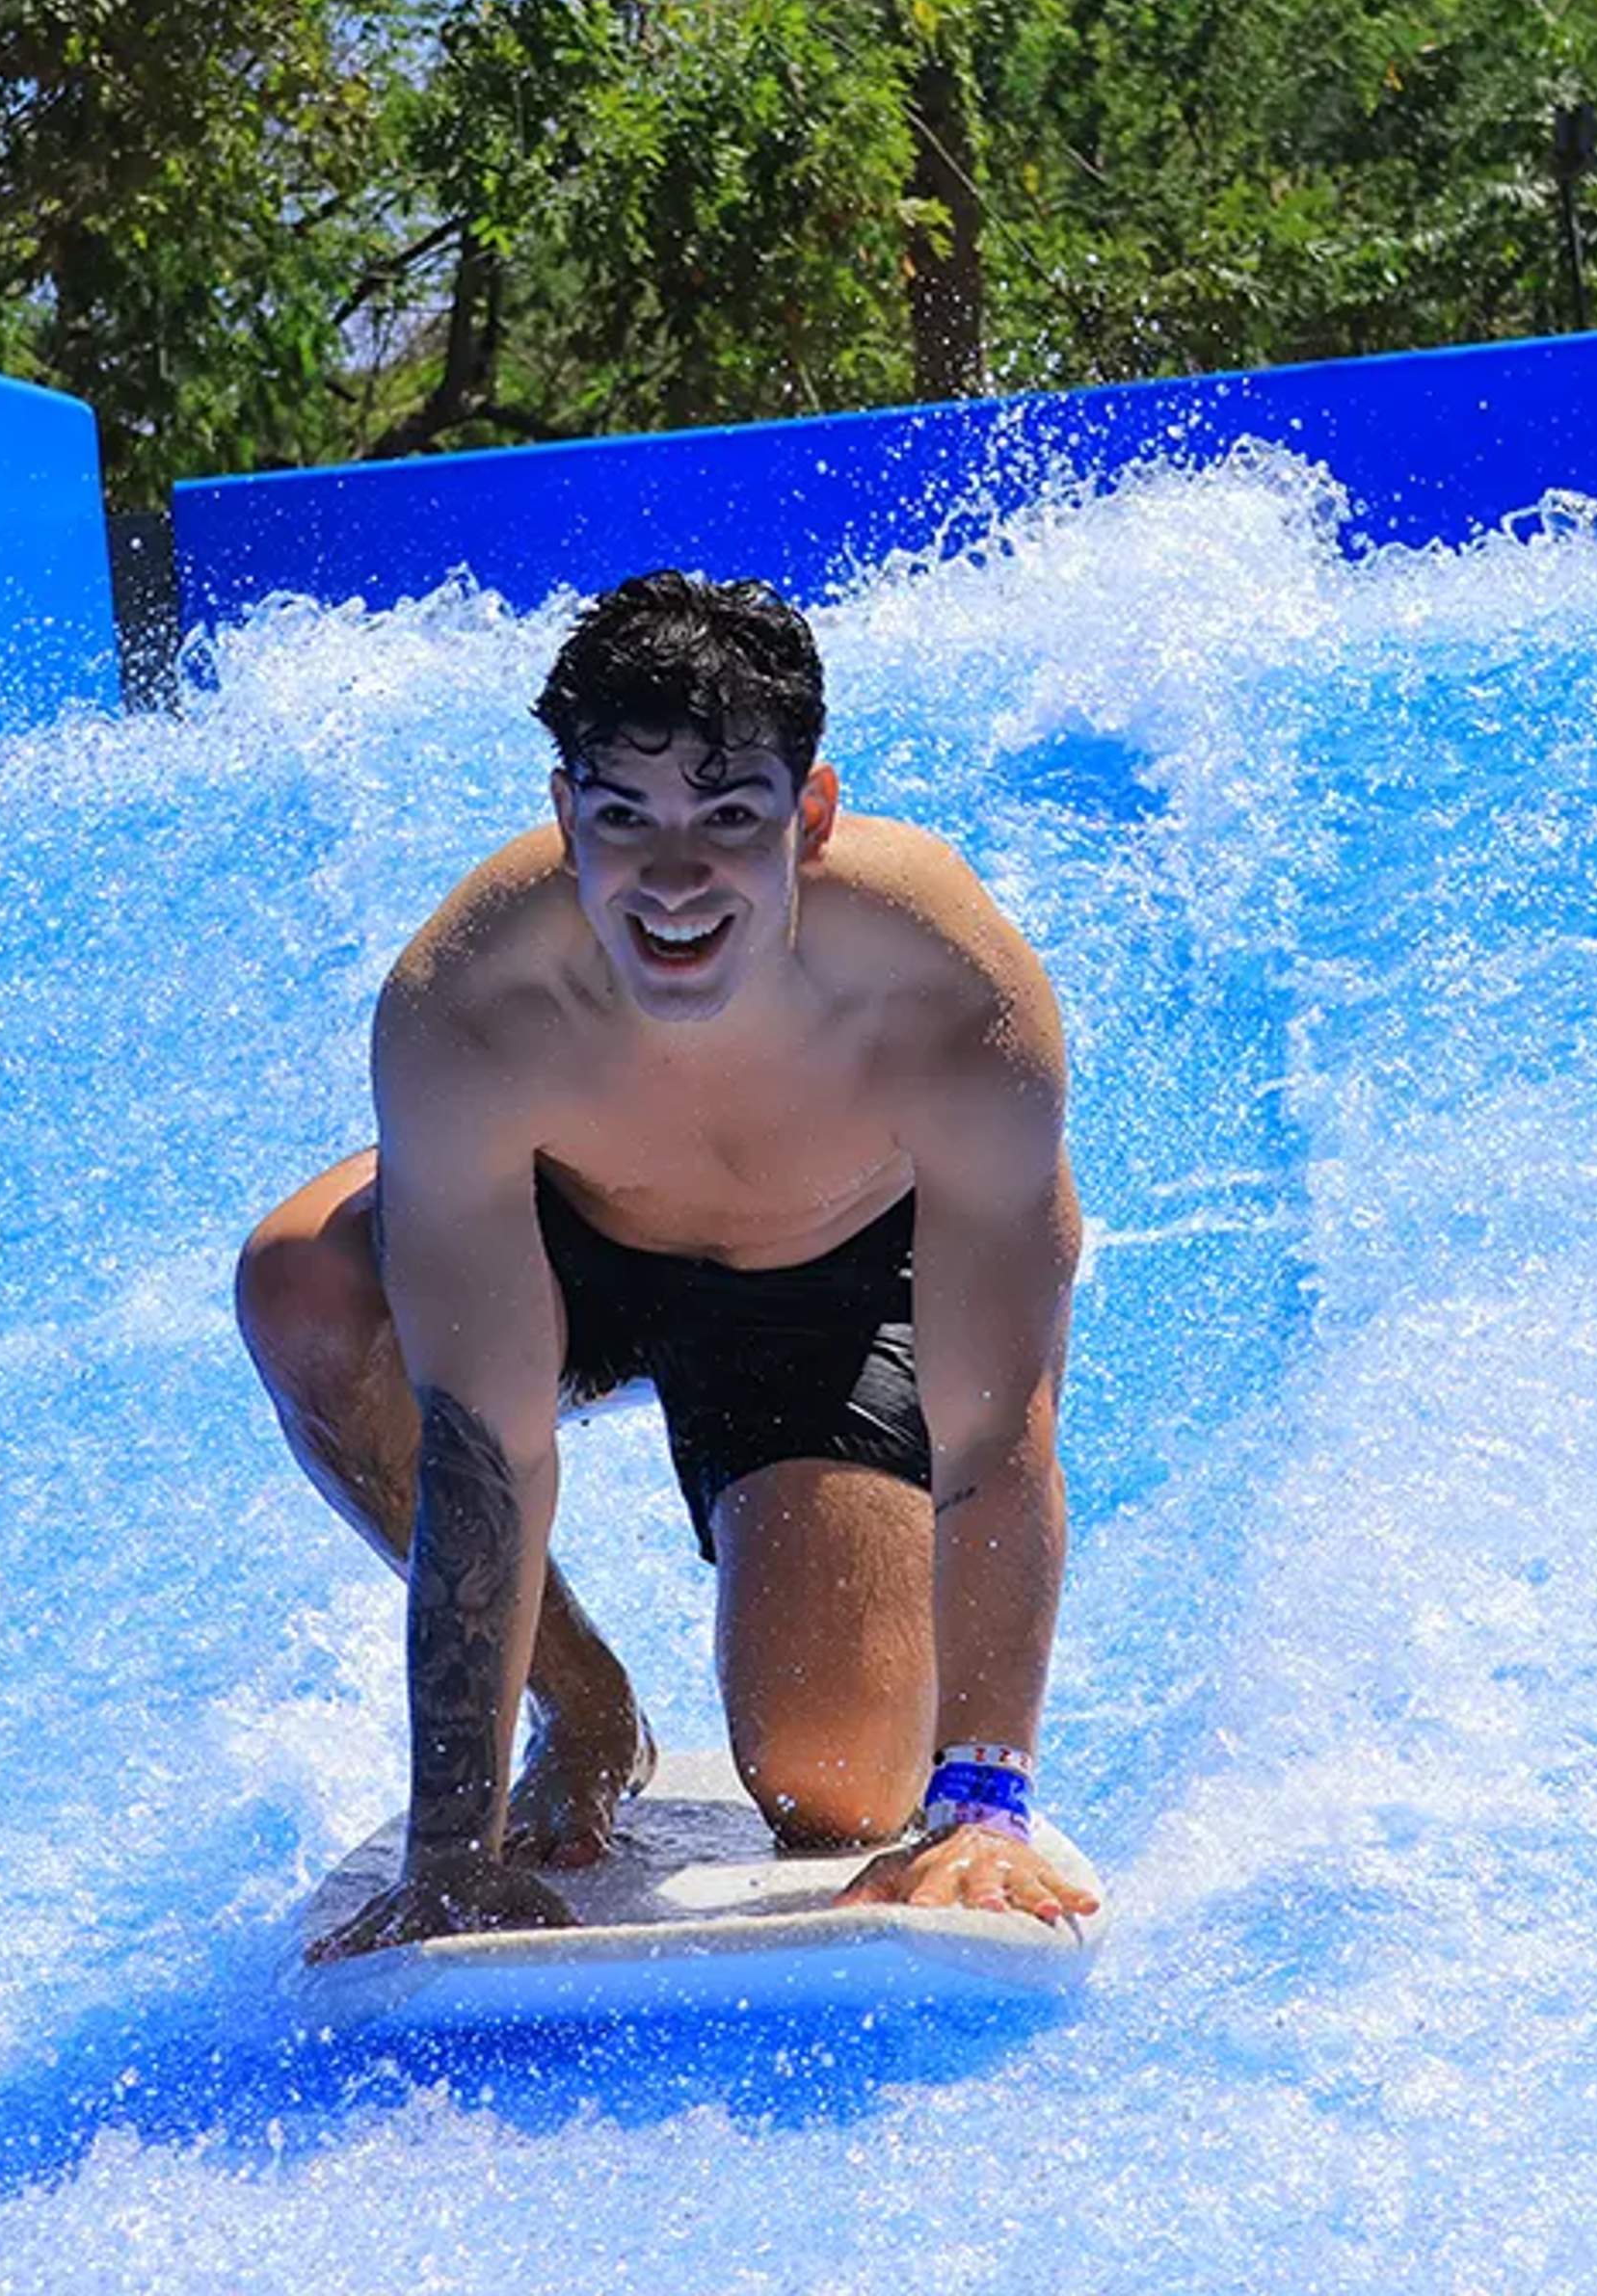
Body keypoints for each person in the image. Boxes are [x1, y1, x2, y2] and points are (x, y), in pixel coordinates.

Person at [233, 570, 1098, 1959]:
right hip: (584, 1251)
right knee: (305, 1286)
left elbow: (997, 1428)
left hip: (833, 1280)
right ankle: (582, 1704)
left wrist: (982, 1805)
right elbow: (487, 1437)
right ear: (566, 815)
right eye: (626, 819)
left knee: (834, 1786)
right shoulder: (470, 999)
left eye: (730, 820)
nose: (675, 881)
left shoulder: (949, 988)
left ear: (809, 819)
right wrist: (452, 1847)